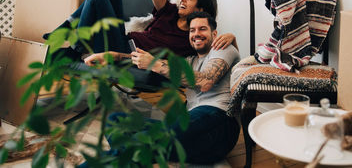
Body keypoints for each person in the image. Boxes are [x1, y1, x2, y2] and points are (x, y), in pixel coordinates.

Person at [82, 11, 240, 165]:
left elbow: (206, 81)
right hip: (195, 141)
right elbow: (144, 60)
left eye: (202, 29)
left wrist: (155, 64)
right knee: (115, 121)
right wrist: (111, 55)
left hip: (220, 125)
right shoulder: (189, 61)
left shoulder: (223, 49)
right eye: (192, 30)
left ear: (215, 33)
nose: (196, 33)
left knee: (142, 141)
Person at [45, 0, 237, 60]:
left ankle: (77, 49)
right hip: (122, 38)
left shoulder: (192, 37)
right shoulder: (169, 12)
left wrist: (231, 36)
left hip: (124, 52)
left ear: (200, 10)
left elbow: (213, 46)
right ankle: (66, 32)